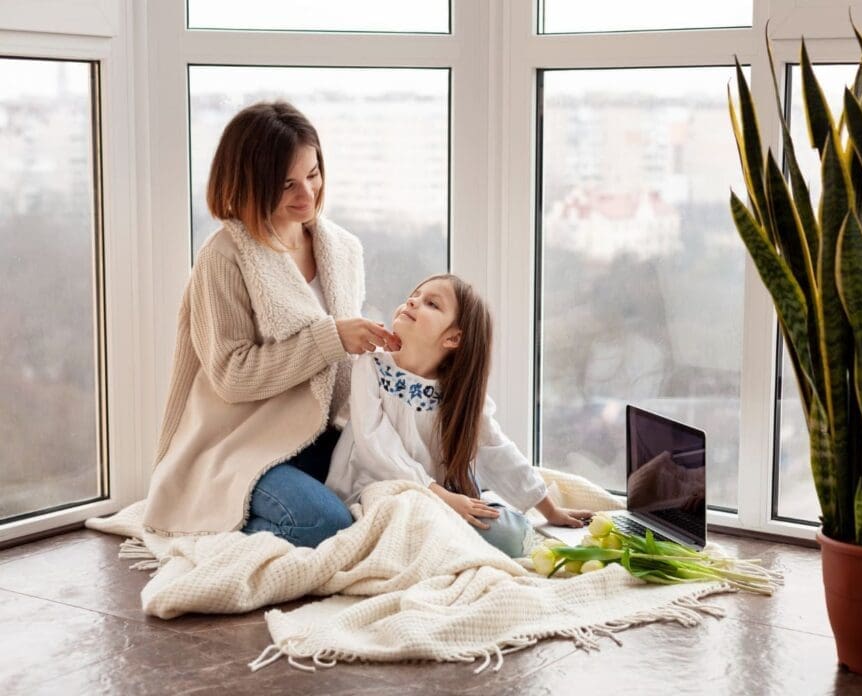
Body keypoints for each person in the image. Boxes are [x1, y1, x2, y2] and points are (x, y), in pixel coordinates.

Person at [142, 101, 400, 548]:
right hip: (241, 444)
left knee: (394, 504)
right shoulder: (224, 256)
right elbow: (231, 376)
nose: (307, 195)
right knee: (326, 525)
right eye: (287, 184)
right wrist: (333, 338)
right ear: (248, 182)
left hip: (321, 435)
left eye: (313, 175)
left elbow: (340, 368)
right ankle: (208, 533)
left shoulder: (341, 248)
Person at [326, 274, 592, 557]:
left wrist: (549, 510)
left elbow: (497, 449)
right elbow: (375, 446)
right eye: (414, 295)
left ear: (454, 338)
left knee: (510, 536)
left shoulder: (458, 392)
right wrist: (442, 497)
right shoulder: (371, 367)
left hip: (436, 498)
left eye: (431, 303)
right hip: (372, 493)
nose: (413, 301)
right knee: (419, 525)